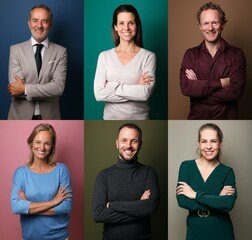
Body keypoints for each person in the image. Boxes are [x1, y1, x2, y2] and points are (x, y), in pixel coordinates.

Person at [92, 123, 160, 240]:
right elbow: (98, 215)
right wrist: (139, 209)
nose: (128, 146)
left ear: (140, 144)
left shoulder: (149, 172)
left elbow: (150, 208)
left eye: (134, 141)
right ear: (117, 143)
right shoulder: (104, 175)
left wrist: (112, 205)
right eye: (124, 140)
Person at [180, 2, 246, 119]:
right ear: (200, 27)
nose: (210, 28)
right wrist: (222, 82)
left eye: (214, 22)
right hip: (196, 120)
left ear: (222, 24)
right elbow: (186, 88)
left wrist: (199, 90)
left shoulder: (236, 54)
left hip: (228, 121)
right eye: (205, 23)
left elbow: (236, 92)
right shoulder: (190, 54)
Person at [94, 4, 156, 120]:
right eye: (121, 23)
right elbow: (99, 94)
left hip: (140, 119)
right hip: (110, 120)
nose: (126, 28)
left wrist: (111, 85)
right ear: (115, 27)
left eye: (131, 23)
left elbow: (144, 94)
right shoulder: (104, 56)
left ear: (137, 25)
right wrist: (136, 89)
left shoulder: (148, 56)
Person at [11, 123, 72, 240]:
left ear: (52, 146)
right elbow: (16, 207)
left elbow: (66, 207)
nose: (42, 148)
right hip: (30, 237)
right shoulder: (21, 173)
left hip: (59, 237)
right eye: (38, 142)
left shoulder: (61, 170)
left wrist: (29, 207)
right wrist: (53, 202)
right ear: (31, 143)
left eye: (47, 143)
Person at [176, 123, 237, 240]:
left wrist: (195, 195)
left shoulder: (227, 171)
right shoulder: (186, 166)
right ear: (198, 144)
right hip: (195, 229)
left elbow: (228, 204)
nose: (208, 146)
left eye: (213, 141)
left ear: (220, 144)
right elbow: (182, 200)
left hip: (222, 230)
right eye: (204, 141)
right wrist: (216, 199)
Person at [7, 4, 67, 120]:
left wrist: (25, 88)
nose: (39, 26)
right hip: (19, 117)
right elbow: (15, 89)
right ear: (29, 23)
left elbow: (58, 88)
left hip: (50, 116)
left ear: (50, 24)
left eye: (44, 21)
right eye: (35, 21)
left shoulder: (61, 52)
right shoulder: (15, 50)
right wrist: (47, 90)